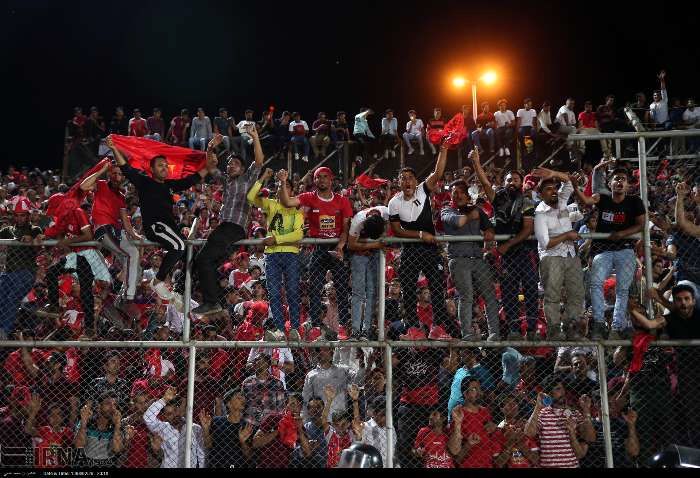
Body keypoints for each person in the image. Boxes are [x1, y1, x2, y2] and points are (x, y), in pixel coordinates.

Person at [107, 134, 217, 305]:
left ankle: (179, 290)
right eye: (160, 165)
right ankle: (157, 281)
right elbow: (126, 168)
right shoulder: (144, 182)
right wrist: (114, 148)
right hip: (155, 227)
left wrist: (210, 153)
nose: (165, 168)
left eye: (166, 165)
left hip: (170, 228)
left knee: (190, 256)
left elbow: (193, 178)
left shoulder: (170, 185)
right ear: (152, 169)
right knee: (179, 246)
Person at [388, 142, 455, 338]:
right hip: (410, 249)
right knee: (408, 289)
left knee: (437, 287)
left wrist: (443, 149)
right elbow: (397, 230)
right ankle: (412, 328)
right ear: (398, 183)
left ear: (416, 181)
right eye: (403, 178)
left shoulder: (422, 190)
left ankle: (438, 327)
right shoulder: (394, 203)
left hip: (430, 248)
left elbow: (438, 172)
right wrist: (419, 234)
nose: (407, 181)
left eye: (410, 178)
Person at [192, 131, 264, 315]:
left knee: (202, 259)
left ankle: (212, 302)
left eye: (235, 164)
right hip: (226, 230)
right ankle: (216, 302)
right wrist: (210, 147)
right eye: (229, 163)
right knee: (204, 263)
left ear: (243, 169)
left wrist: (255, 137)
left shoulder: (248, 179)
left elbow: (259, 161)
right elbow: (210, 166)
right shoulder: (226, 181)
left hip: (233, 228)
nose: (231, 165)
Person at [278, 167, 353, 339]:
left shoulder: (342, 201)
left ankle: (343, 325)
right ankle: (315, 324)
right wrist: (282, 182)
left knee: (341, 287)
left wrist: (340, 247)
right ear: (314, 180)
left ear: (331, 180)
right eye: (319, 177)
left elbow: (345, 229)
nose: (322, 180)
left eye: (325, 177)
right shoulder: (308, 197)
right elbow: (286, 202)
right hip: (319, 248)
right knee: (315, 286)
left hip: (336, 247)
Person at [572, 167, 645, 339]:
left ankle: (617, 325)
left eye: (623, 179)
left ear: (628, 185)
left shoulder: (635, 201)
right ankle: (599, 322)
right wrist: (575, 187)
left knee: (623, 289)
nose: (619, 182)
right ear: (610, 183)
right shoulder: (602, 198)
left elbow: (641, 224)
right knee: (595, 283)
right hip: (602, 249)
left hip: (625, 247)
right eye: (616, 178)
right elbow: (586, 201)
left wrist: (622, 234)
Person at [473, 149, 538, 340]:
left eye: (516, 180)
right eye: (509, 180)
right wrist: (476, 162)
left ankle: (532, 329)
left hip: (524, 252)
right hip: (506, 256)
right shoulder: (498, 199)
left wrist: (506, 245)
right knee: (509, 292)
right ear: (504, 182)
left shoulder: (527, 201)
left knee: (530, 289)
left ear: (521, 183)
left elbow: (527, 229)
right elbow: (485, 183)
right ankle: (514, 330)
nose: (512, 182)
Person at [247, 167, 304, 340]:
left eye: (286, 186)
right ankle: (279, 329)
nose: (282, 188)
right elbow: (250, 197)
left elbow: (298, 235)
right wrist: (263, 177)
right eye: (279, 186)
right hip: (272, 255)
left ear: (292, 191)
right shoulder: (271, 204)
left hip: (290, 254)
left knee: (293, 292)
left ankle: (294, 329)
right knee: (274, 293)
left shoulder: (297, 209)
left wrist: (276, 239)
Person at [441, 179, 500, 340]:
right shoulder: (446, 210)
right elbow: (458, 222)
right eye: (455, 193)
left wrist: (488, 232)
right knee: (466, 296)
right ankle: (466, 333)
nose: (458, 195)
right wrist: (471, 215)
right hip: (458, 259)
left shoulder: (477, 210)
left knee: (490, 296)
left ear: (468, 196)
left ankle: (494, 333)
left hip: (478, 258)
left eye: (462, 192)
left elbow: (489, 228)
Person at [533, 168, 585, 340]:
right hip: (551, 257)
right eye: (548, 189)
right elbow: (545, 243)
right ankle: (554, 329)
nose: (553, 191)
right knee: (553, 295)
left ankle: (571, 327)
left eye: (555, 188)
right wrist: (567, 235)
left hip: (571, 255)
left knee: (576, 294)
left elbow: (569, 181)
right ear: (540, 194)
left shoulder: (562, 200)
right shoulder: (540, 213)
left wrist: (552, 173)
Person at [79, 160, 141, 305]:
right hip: (103, 229)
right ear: (109, 174)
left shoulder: (121, 196)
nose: (117, 177)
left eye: (120, 174)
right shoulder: (100, 185)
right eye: (114, 173)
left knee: (134, 256)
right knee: (128, 256)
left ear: (123, 177)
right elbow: (83, 186)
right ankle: (126, 296)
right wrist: (101, 170)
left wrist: (137, 236)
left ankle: (125, 297)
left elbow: (125, 222)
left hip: (117, 232)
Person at [524, 375, 596, 468]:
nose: (562, 392)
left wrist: (586, 410)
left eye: (562, 388)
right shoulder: (542, 413)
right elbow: (528, 433)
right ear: (549, 393)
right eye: (557, 389)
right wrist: (537, 407)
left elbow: (590, 438)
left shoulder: (574, 413)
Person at [0, 197, 42, 339]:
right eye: (17, 215)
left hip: (26, 272)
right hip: (8, 272)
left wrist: (33, 239)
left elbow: (40, 238)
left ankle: (4, 332)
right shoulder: (8, 230)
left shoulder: (34, 229)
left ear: (28, 215)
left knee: (12, 298)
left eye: (22, 215)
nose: (19, 218)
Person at [348, 205, 388, 339]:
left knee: (372, 292)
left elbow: (388, 237)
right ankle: (355, 330)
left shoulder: (387, 213)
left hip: (375, 254)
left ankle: (367, 329)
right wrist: (374, 245)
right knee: (358, 292)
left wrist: (373, 246)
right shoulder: (358, 220)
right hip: (359, 254)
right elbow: (351, 244)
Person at [143, 386, 206, 468]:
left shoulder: (195, 428)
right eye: (169, 414)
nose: (174, 415)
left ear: (179, 409)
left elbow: (201, 454)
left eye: (175, 410)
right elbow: (147, 417)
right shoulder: (163, 428)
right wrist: (164, 400)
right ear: (165, 417)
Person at [446, 379, 502, 468]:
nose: (479, 392)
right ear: (465, 394)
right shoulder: (459, 413)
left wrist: (494, 429)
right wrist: (458, 423)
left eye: (479, 389)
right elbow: (455, 454)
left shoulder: (485, 412)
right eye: (474, 389)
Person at [301, 346, 365, 422]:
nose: (321, 352)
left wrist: (361, 365)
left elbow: (359, 382)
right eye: (318, 350)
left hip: (340, 420)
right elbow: (306, 400)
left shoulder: (343, 370)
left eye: (325, 349)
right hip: (321, 421)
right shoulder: (311, 375)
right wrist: (306, 421)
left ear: (331, 351)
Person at [74, 393, 124, 467]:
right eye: (108, 403)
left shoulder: (118, 426)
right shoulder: (86, 422)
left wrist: (117, 426)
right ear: (98, 406)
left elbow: (117, 449)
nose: (112, 407)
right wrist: (84, 422)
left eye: (115, 405)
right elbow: (79, 445)